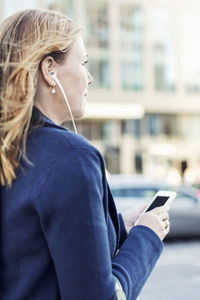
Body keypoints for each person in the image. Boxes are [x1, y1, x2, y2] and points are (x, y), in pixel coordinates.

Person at [0, 9, 170, 300]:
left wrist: (120, 225)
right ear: (49, 70)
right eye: (84, 62)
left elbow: (34, 254)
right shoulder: (71, 156)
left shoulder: (12, 149)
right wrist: (147, 237)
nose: (90, 78)